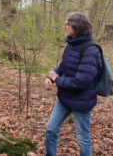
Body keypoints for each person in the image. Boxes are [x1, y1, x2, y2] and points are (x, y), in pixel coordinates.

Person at [44, 12, 103, 156]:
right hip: (65, 97)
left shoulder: (91, 49)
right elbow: (63, 67)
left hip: (82, 100)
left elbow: (81, 81)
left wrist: (57, 79)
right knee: (51, 129)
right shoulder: (71, 44)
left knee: (83, 139)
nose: (64, 27)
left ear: (76, 26)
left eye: (67, 24)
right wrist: (51, 77)